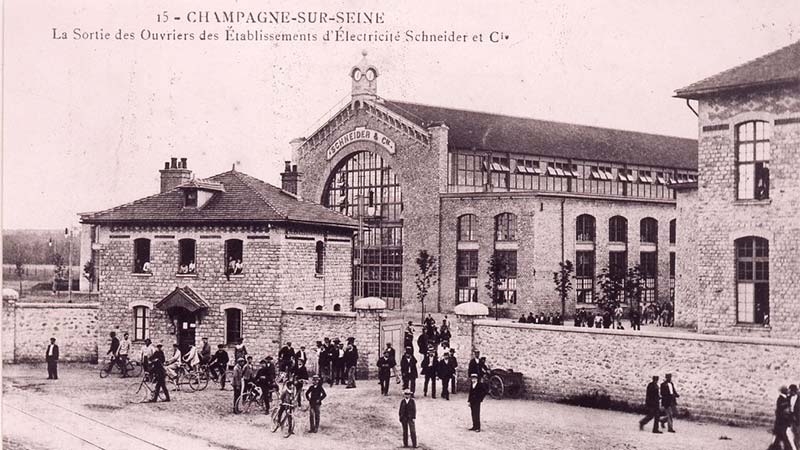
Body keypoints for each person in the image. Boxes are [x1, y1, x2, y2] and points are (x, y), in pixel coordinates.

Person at [773, 386, 795, 450]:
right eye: (787, 390)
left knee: (780, 435)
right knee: (783, 434)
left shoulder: (785, 398)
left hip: (783, 420)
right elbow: (780, 409)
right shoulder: (781, 399)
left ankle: (776, 446)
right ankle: (788, 448)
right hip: (782, 420)